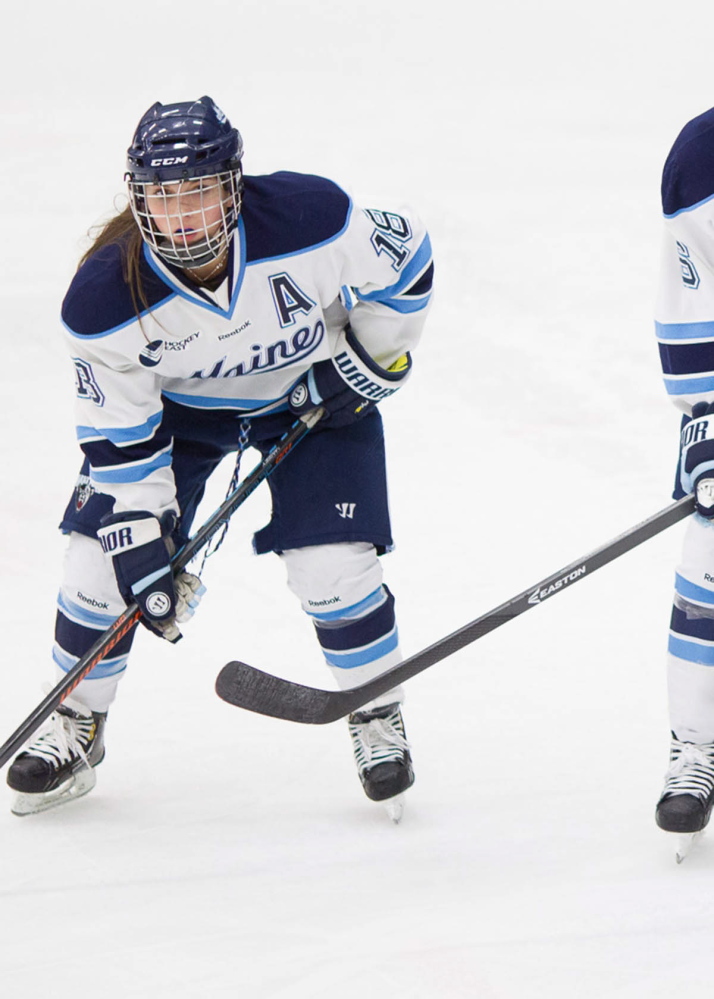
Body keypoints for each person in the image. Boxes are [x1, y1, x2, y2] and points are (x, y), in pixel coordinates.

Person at [6, 96, 433, 817]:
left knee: (332, 565)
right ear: (139, 201)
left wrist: (363, 364)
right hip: (184, 420)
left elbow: (409, 261)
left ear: (234, 185)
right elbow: (119, 437)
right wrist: (139, 542)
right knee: (97, 561)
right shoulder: (105, 297)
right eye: (166, 197)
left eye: (201, 192)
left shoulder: (311, 219)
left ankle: (373, 711)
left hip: (312, 399)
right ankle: (78, 719)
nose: (186, 217)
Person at [654, 106, 714, 839]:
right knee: (710, 558)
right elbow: (696, 313)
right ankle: (697, 745)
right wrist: (707, 420)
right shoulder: (702, 161)